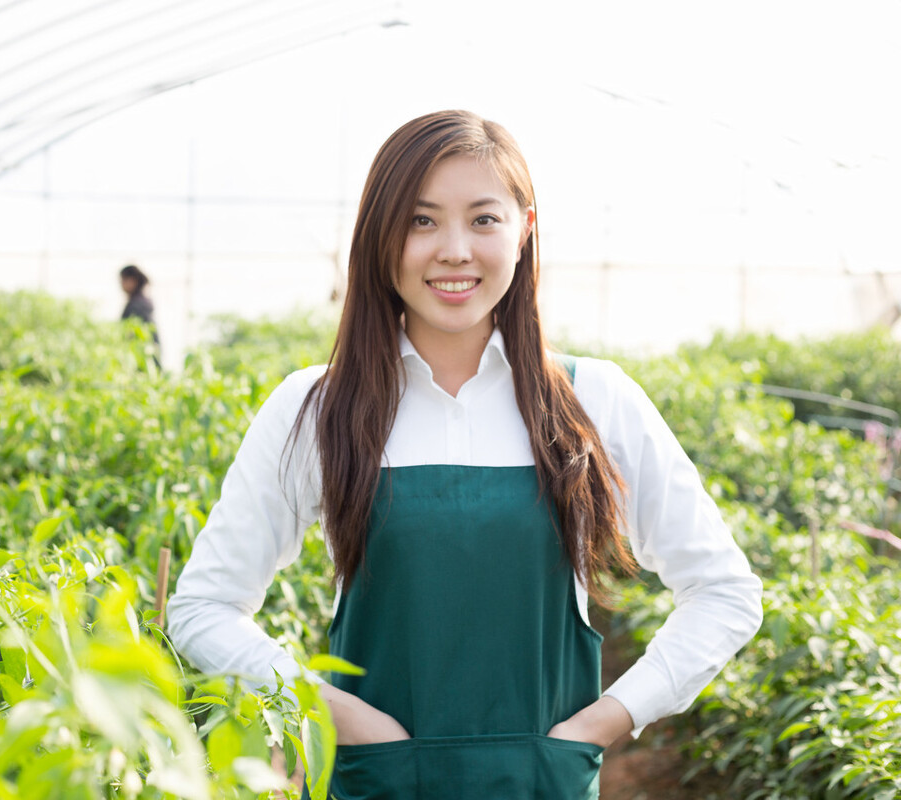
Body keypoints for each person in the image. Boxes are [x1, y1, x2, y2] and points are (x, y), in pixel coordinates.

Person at [166, 110, 762, 799]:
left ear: (524, 231)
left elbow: (724, 592)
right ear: (380, 238)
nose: (454, 250)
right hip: (378, 779)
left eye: (483, 219)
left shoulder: (594, 399)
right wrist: (335, 712)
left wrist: (606, 721)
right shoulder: (317, 408)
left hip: (540, 780)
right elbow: (203, 607)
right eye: (422, 221)